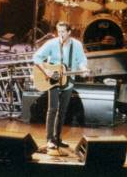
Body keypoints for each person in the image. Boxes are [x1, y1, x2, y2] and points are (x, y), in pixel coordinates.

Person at [33, 21, 89, 150]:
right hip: (53, 80)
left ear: (69, 32)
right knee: (52, 109)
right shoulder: (52, 43)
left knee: (62, 111)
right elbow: (37, 57)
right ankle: (49, 139)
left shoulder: (77, 45)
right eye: (59, 32)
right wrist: (46, 70)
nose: (61, 34)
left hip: (68, 81)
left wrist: (83, 69)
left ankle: (57, 138)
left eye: (63, 32)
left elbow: (81, 61)